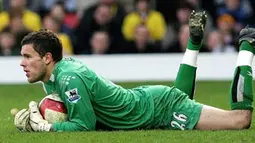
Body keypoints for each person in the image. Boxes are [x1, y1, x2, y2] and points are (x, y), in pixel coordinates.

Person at [14, 10, 253, 132]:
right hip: (149, 101)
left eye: (27, 57)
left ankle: (246, 46)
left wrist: (48, 127)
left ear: (47, 58)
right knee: (181, 97)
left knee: (240, 121)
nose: (22, 63)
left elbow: (84, 124)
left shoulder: (68, 78)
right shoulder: (56, 76)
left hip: (158, 110)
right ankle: (193, 44)